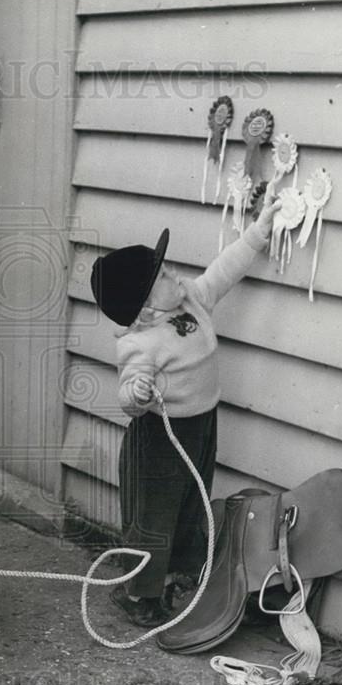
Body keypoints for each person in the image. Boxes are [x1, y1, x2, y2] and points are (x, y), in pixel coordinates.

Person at [89, 194, 282, 627]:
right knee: (154, 515)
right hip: (160, 437)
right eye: (161, 275)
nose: (173, 272)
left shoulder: (191, 300)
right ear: (145, 307)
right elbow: (127, 396)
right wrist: (136, 393)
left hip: (199, 425)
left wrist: (258, 231)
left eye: (167, 266)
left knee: (191, 504)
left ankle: (172, 577)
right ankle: (139, 595)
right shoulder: (139, 342)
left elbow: (223, 270)